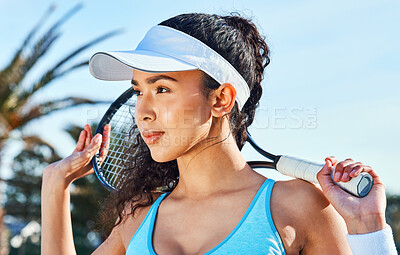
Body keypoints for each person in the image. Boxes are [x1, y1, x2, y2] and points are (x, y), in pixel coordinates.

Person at [41, 13, 397, 254]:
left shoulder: (299, 205)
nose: (142, 111)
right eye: (138, 91)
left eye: (162, 88)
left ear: (221, 99)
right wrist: (55, 185)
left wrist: (368, 225)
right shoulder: (138, 217)